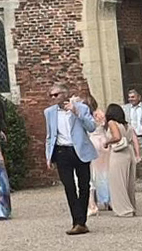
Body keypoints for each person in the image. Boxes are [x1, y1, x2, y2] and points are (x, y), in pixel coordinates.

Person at [43, 83, 99, 234]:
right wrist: (48, 156)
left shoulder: (81, 108)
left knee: (84, 185)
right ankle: (77, 221)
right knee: (69, 186)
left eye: (56, 95)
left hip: (80, 150)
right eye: (51, 95)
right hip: (62, 151)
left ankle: (81, 221)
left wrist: (76, 113)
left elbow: (91, 127)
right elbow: (50, 135)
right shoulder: (49, 112)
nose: (53, 98)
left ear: (65, 94)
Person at [100, 103, 136, 217]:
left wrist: (107, 142)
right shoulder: (126, 125)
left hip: (118, 154)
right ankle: (131, 206)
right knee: (128, 181)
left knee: (117, 182)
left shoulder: (112, 122)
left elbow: (117, 137)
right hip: (129, 152)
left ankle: (124, 209)